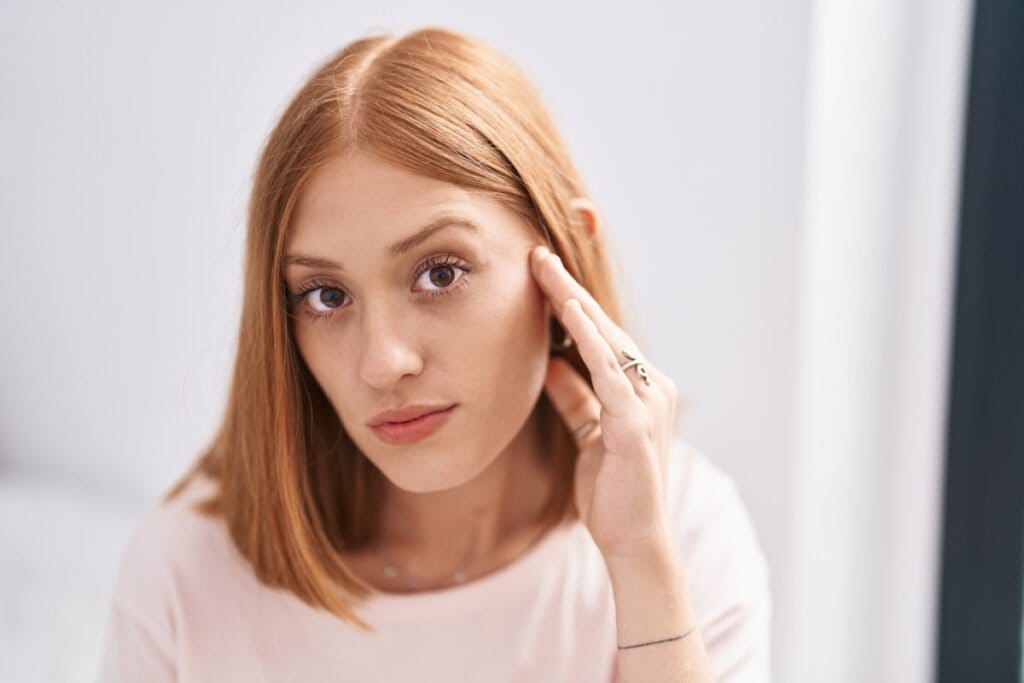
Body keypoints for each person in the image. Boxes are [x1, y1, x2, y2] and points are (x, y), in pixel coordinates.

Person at [96, 26, 771, 682]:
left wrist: (640, 561)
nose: (383, 362)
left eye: (440, 273)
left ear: (566, 259)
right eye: (327, 295)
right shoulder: (186, 570)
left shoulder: (684, 531)